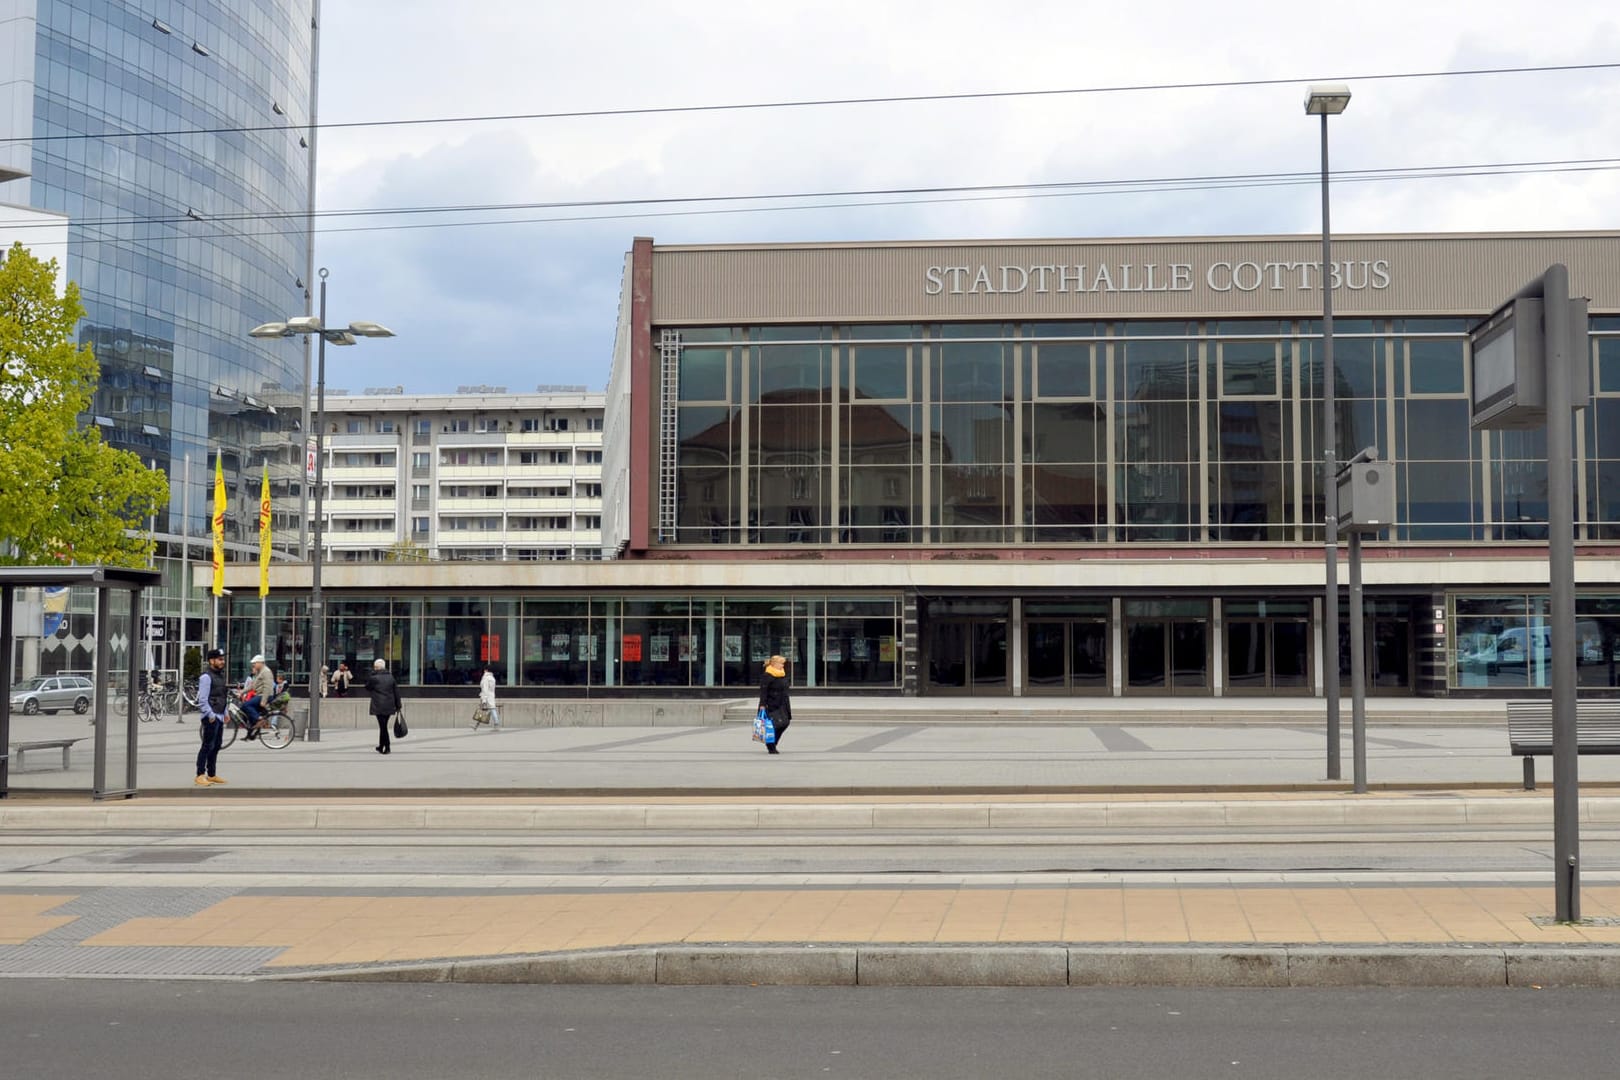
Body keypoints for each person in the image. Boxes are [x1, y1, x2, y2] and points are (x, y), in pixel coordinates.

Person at [195, 647, 229, 786]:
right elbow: (202, 699)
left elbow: (222, 696)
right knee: (207, 745)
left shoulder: (220, 676)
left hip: (219, 715)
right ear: (211, 661)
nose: (223, 661)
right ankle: (200, 774)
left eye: (223, 659)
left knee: (216, 745)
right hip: (211, 716)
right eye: (220, 659)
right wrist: (210, 714)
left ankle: (212, 774)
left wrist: (225, 712)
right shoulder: (206, 677)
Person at [757, 653, 792, 754]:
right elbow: (763, 691)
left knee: (785, 722)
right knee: (774, 725)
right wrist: (762, 705)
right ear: (774, 664)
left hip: (783, 703)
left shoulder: (782, 674)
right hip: (771, 704)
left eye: (783, 663)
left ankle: (773, 742)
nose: (783, 665)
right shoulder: (767, 675)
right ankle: (771, 745)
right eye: (781, 663)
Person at [366, 658, 401, 754]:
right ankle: (381, 746)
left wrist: (372, 675)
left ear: (377, 667)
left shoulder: (374, 678)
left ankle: (387, 747)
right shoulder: (391, 677)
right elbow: (396, 692)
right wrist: (398, 705)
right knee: (383, 726)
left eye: (374, 667)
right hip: (389, 705)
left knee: (383, 727)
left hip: (379, 705)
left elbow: (367, 687)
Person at [237, 653, 276, 740]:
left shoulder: (266, 672)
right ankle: (251, 734)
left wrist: (263, 701)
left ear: (260, 663)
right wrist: (242, 692)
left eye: (254, 663)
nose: (253, 665)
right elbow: (252, 686)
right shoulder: (259, 672)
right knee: (247, 712)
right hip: (260, 695)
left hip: (265, 696)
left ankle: (259, 719)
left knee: (246, 705)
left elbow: (268, 687)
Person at [476, 666, 501, 730]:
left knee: (488, 710)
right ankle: (477, 725)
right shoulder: (492, 678)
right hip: (491, 696)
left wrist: (484, 699)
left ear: (486, 670)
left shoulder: (485, 678)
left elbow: (485, 689)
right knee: (492, 709)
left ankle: (496, 724)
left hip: (487, 696)